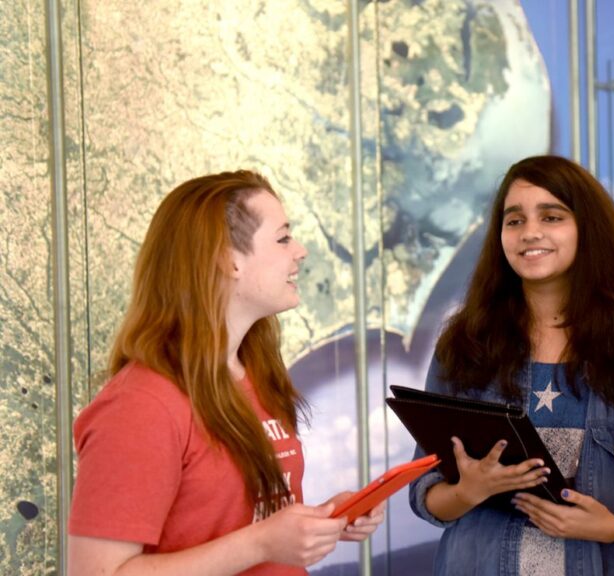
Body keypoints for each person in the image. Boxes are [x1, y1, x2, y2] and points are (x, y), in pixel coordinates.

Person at [68, 170, 384, 575]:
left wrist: (322, 519)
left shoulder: (253, 374)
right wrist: (262, 542)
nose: (300, 251)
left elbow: (245, 518)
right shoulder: (141, 405)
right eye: (283, 237)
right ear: (226, 259)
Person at [407, 155, 614, 575]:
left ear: (586, 231)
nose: (530, 232)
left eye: (552, 217)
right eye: (514, 220)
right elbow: (425, 494)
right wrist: (470, 491)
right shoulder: (464, 348)